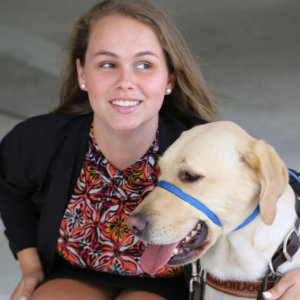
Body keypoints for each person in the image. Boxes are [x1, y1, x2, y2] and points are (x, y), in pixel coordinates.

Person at [0, 0, 299, 299]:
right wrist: (31, 267)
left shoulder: (197, 143)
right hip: (76, 272)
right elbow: (9, 188)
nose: (126, 82)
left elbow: (284, 186)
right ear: (82, 74)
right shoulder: (38, 141)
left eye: (144, 65)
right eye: (107, 64)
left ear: (169, 77)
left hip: (168, 283)